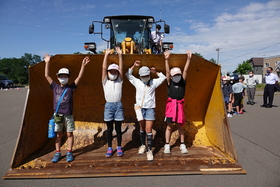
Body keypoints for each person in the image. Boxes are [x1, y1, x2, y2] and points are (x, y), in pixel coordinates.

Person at [44, 54, 90, 163]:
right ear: (58, 77)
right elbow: (47, 76)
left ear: (68, 77)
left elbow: (79, 77)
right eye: (61, 76)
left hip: (68, 114)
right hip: (58, 115)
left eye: (65, 76)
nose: (63, 78)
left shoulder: (71, 87)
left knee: (69, 134)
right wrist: (47, 62)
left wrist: (83, 65)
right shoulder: (55, 86)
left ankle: (69, 152)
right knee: (59, 134)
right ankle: (58, 152)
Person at [126, 61, 166, 161]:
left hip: (150, 109)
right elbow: (128, 75)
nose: (145, 77)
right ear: (140, 76)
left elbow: (163, 78)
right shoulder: (137, 82)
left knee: (149, 130)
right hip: (139, 108)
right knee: (142, 128)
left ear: (149, 75)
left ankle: (149, 151)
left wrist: (156, 72)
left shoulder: (153, 82)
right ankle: (143, 145)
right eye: (143, 76)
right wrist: (134, 66)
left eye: (147, 75)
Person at [163, 49, 191, 154]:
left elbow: (185, 71)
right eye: (175, 75)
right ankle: (167, 144)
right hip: (171, 107)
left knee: (180, 126)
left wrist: (188, 59)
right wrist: (166, 59)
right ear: (171, 76)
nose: (177, 77)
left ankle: (182, 144)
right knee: (169, 126)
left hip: (179, 106)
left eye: (178, 75)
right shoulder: (169, 82)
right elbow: (166, 71)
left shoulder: (182, 83)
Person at [102, 47, 124, 157]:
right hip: (108, 106)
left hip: (118, 106)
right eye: (111, 71)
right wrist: (106, 55)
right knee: (109, 129)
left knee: (118, 129)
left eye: (115, 71)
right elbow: (104, 67)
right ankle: (110, 147)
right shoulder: (105, 81)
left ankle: (119, 147)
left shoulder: (120, 80)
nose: (113, 73)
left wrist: (120, 55)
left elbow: (121, 69)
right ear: (108, 72)